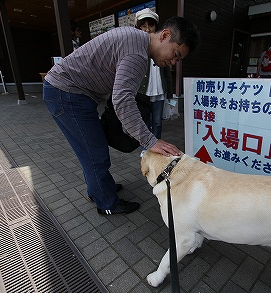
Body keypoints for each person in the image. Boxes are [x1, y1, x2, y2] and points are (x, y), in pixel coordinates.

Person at [43, 17, 200, 215]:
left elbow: (121, 95)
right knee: (94, 152)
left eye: (178, 60)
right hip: (66, 94)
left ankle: (99, 188)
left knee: (91, 148)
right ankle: (107, 203)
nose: (173, 62)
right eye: (175, 55)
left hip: (72, 93)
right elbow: (123, 99)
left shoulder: (136, 40)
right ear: (165, 35)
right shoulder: (137, 53)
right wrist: (150, 140)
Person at [135, 8, 173, 139]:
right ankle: (146, 148)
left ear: (156, 27)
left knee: (157, 122)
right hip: (142, 93)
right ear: (138, 28)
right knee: (144, 121)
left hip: (159, 91)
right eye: (143, 26)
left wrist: (170, 93)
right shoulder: (135, 47)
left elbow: (167, 72)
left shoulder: (163, 46)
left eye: (150, 25)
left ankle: (156, 145)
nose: (147, 29)